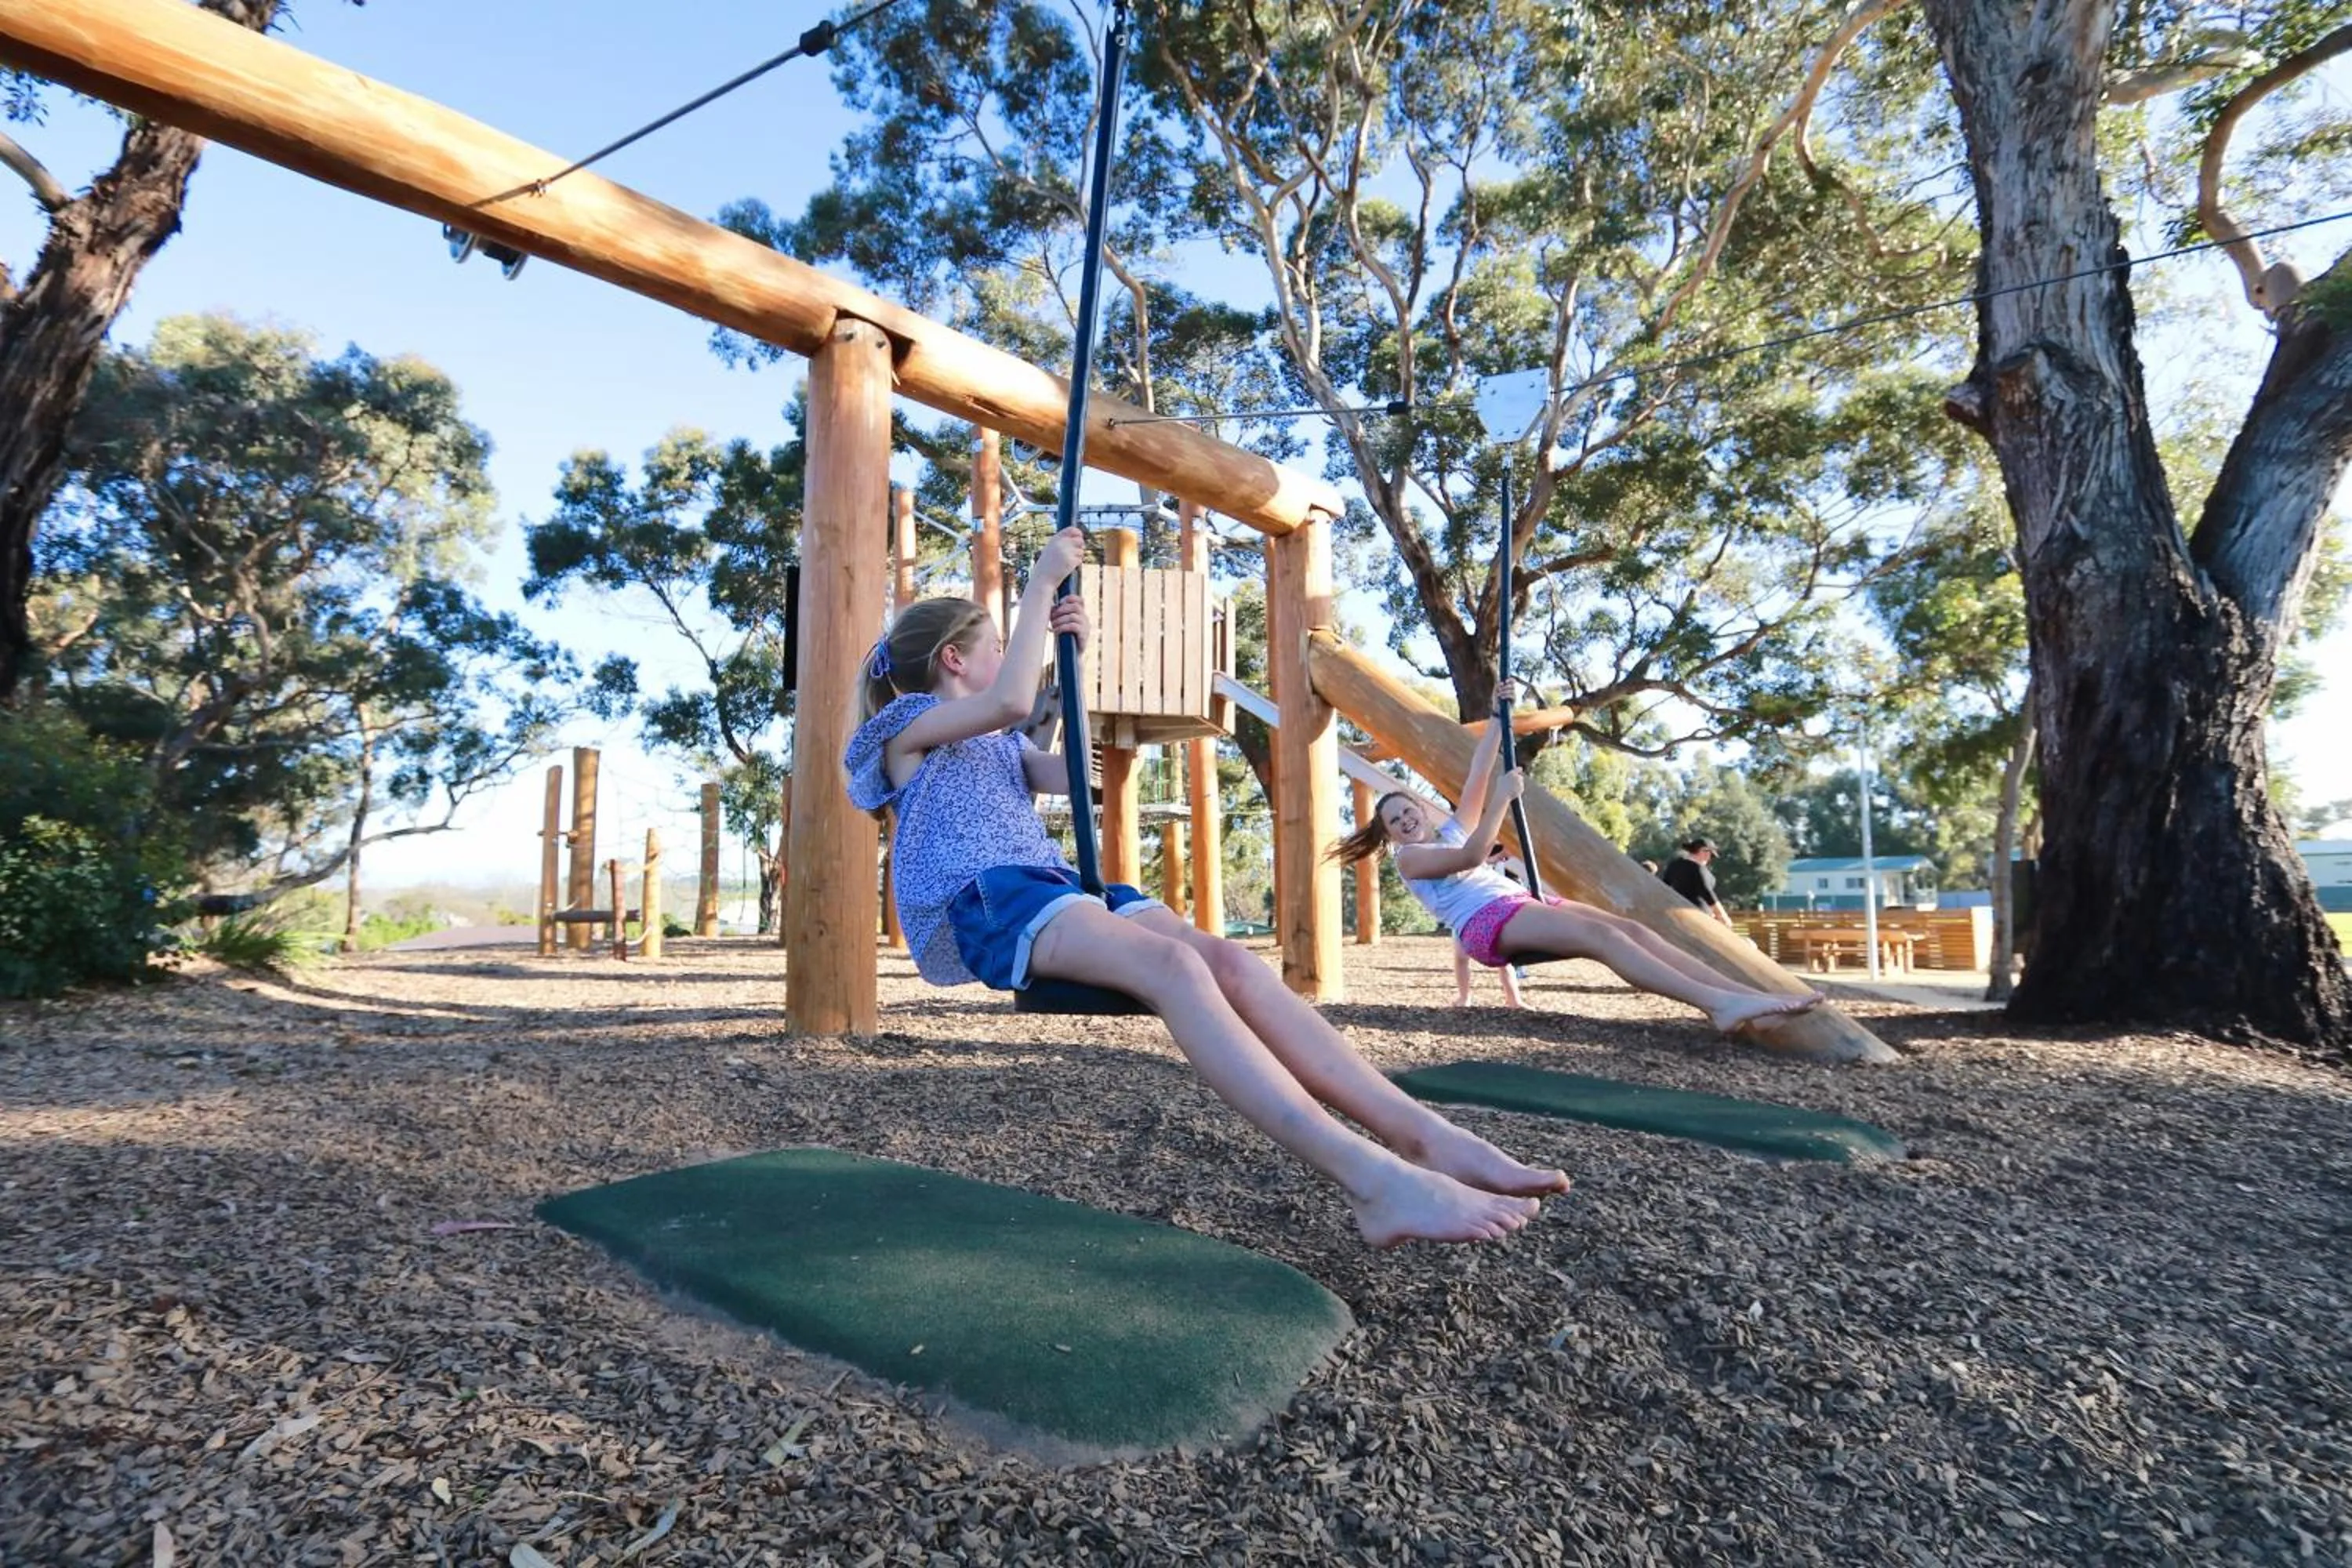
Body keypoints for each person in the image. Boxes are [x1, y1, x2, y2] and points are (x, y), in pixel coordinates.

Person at [846, 528, 1567, 1249]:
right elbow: (1006, 702)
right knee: (1176, 969)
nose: (1010, 656)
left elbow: (1068, 776)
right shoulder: (903, 728)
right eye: (997, 646)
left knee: (1229, 963)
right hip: (991, 896)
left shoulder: (998, 741)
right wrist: (1040, 588)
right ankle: (1372, 1182)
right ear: (953, 660)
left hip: (1053, 882)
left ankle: (1424, 1136)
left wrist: (1070, 676)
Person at [1327, 685, 1821, 1036]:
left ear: (1420, 811)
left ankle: (1743, 997)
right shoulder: (1411, 859)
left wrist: (1501, 716)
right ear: (1389, 833)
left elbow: (1479, 769)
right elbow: (1475, 853)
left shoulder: (1449, 828)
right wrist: (1503, 799)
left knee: (1634, 931)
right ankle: (1720, 1005)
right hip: (1485, 924)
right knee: (1604, 939)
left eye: (1408, 811)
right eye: (1395, 820)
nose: (1406, 821)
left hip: (1521, 901)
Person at [1660, 837, 1733, 926]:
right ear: (1705, 852)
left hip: (1676, 912)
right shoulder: (1698, 869)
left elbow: (1664, 886)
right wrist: (1722, 915)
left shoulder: (1674, 865)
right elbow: (1707, 893)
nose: (1709, 857)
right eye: (1709, 853)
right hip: (1699, 917)